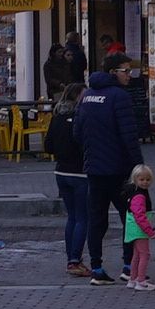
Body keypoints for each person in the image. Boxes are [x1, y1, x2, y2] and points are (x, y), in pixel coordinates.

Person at [76, 54, 149, 280]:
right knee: (129, 217)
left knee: (97, 220)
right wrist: (139, 167)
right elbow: (129, 136)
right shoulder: (120, 97)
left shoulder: (86, 96)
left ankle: (96, 269)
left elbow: (77, 133)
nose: (129, 75)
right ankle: (128, 267)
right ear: (112, 72)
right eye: (125, 71)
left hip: (94, 169)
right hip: (119, 171)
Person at [45, 90, 96, 277]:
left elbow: (48, 145)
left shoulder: (57, 117)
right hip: (80, 173)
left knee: (72, 217)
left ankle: (71, 259)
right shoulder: (82, 118)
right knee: (83, 217)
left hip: (61, 171)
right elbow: (88, 143)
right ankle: (75, 261)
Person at [121, 162, 155, 291]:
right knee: (145, 254)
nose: (145, 182)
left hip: (133, 228)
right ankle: (141, 280)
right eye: (142, 179)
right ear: (135, 179)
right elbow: (140, 216)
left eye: (147, 179)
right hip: (139, 230)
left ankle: (133, 278)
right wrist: (150, 231)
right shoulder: (140, 196)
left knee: (136, 255)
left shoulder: (133, 192)